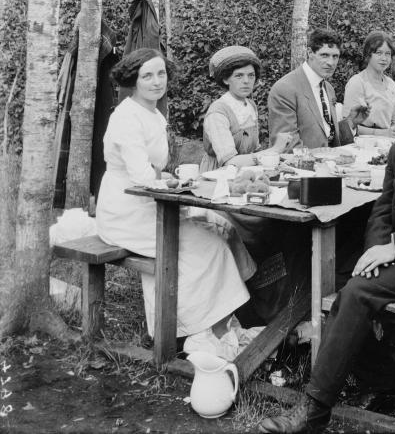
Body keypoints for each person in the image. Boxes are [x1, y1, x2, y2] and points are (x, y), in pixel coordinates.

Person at [255, 52, 395, 434]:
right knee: (340, 285)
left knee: (356, 293)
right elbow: (382, 209)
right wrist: (376, 251)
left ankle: (314, 411)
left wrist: (392, 248)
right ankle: (386, 381)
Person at [95, 48, 249, 359]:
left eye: (161, 74)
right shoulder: (126, 116)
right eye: (147, 75)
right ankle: (195, 330)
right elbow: (140, 174)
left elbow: (155, 170)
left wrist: (168, 176)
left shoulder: (153, 112)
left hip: (151, 203)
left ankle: (211, 326)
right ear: (133, 80)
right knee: (205, 247)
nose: (156, 81)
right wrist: (169, 178)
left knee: (218, 233)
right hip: (125, 210)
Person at [268, 28, 369, 149]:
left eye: (335, 56)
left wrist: (351, 122)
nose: (331, 63)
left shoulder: (328, 88)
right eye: (324, 55)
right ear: (310, 53)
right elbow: (287, 146)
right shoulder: (285, 89)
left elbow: (327, 137)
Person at [200, 45, 291, 173]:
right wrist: (275, 150)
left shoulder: (251, 105)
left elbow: (255, 151)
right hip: (218, 176)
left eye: (251, 75)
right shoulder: (218, 112)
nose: (246, 81)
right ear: (226, 79)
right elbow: (230, 162)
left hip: (246, 173)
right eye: (239, 76)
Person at [342, 31, 395, 138]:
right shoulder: (357, 82)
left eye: (388, 54)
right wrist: (383, 133)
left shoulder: (392, 85)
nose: (384, 58)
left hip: (388, 144)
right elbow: (347, 126)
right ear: (368, 55)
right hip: (361, 145)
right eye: (378, 53)